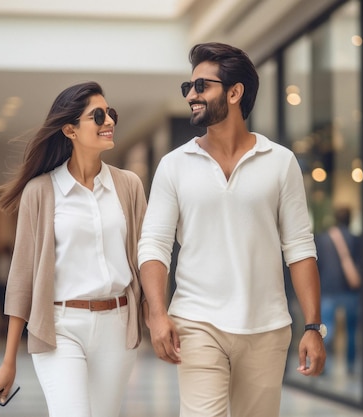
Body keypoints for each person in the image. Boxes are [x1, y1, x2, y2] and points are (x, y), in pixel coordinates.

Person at [138, 42, 326, 417]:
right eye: (188, 88)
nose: (191, 95)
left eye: (201, 86)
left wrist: (312, 327)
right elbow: (154, 246)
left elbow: (300, 247)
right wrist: (157, 315)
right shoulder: (174, 165)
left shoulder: (280, 162)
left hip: (267, 327)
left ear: (235, 93)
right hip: (197, 322)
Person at [0, 81, 147, 417]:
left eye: (111, 114)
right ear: (70, 129)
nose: (109, 122)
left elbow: (147, 257)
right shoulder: (41, 192)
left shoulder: (129, 186)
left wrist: (159, 316)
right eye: (98, 115)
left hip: (117, 327)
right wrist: (8, 361)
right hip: (60, 327)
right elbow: (22, 277)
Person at [314, 206, 361, 374]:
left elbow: (317, 265)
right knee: (351, 331)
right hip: (350, 290)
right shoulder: (355, 239)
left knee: (327, 330)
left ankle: (323, 365)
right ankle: (350, 366)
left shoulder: (323, 238)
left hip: (327, 289)